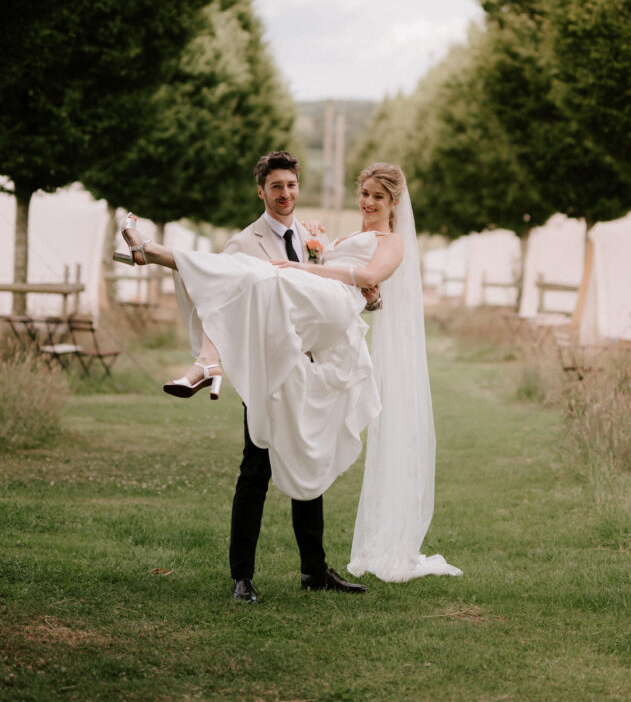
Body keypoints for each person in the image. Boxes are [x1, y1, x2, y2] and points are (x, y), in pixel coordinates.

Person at [114, 158, 462, 589]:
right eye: (276, 186)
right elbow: (221, 301)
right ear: (261, 191)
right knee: (255, 468)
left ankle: (314, 571)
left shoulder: (322, 236)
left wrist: (335, 280)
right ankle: (242, 576)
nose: (285, 194)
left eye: (292, 185)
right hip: (270, 363)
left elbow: (360, 281)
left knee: (311, 456)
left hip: (313, 360)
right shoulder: (246, 242)